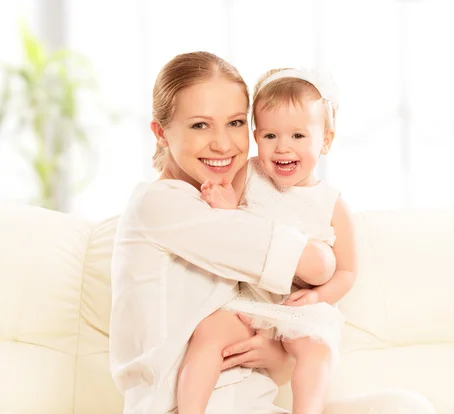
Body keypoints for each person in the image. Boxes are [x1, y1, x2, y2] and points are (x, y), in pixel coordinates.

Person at [109, 50, 436, 414]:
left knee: (405, 406)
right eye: (200, 125)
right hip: (200, 405)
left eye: (234, 123)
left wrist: (275, 357)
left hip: (251, 399)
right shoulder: (161, 204)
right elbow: (316, 265)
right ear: (161, 133)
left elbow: (272, 344)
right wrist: (323, 257)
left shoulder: (228, 201)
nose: (222, 143)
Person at [195, 67, 355, 414]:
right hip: (249, 298)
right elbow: (231, 224)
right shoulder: (249, 174)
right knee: (208, 335)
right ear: (256, 137)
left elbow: (347, 272)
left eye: (298, 136)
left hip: (299, 304)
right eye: (270, 136)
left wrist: (317, 296)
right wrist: (223, 204)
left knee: (315, 348)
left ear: (326, 140)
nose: (283, 147)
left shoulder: (332, 203)